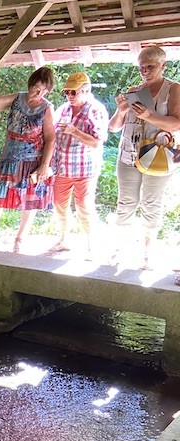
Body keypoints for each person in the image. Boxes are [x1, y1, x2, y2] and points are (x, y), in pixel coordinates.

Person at [0, 67, 56, 253]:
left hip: (33, 160)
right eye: (35, 88)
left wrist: (44, 165)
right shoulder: (18, 98)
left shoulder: (47, 108)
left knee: (29, 201)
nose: (38, 93)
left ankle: (20, 239)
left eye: (43, 91)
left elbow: (51, 138)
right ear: (30, 85)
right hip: (10, 157)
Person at [109, 45, 180, 271]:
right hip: (129, 153)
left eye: (150, 66)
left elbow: (177, 123)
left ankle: (147, 254)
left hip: (158, 156)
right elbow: (113, 128)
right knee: (125, 204)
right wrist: (120, 110)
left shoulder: (173, 89)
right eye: (142, 67)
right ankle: (120, 250)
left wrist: (149, 115)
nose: (145, 71)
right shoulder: (135, 90)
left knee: (151, 204)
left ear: (163, 66)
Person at [50, 72, 109, 257]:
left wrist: (74, 131)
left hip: (85, 167)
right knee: (59, 204)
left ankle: (91, 243)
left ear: (85, 90)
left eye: (73, 92)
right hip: (62, 166)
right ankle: (63, 238)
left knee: (84, 205)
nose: (69, 96)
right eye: (66, 92)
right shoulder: (64, 109)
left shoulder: (95, 109)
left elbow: (97, 141)